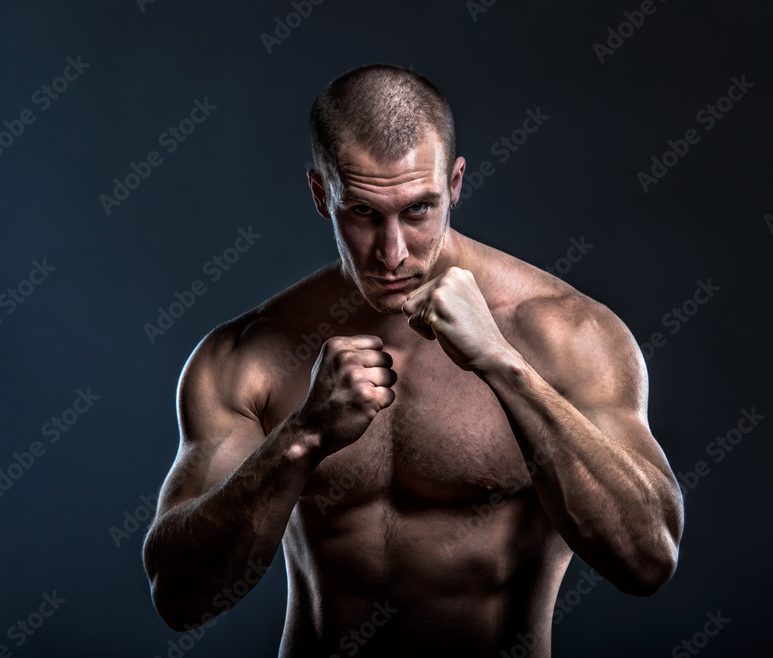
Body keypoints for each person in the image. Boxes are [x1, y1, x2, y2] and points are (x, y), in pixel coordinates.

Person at [142, 63, 684, 657]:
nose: (393, 253)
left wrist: (505, 368)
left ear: (454, 184)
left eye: (419, 210)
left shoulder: (565, 333)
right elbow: (180, 597)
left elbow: (647, 559)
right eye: (364, 213)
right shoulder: (251, 355)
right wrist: (301, 438)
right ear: (322, 194)